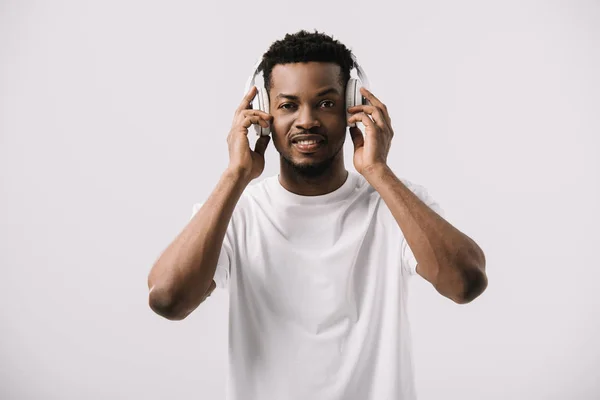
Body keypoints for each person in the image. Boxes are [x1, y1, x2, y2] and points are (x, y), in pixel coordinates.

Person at [147, 30, 488, 400]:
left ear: (353, 108)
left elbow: (465, 283)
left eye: (325, 104)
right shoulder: (237, 212)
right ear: (263, 114)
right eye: (288, 105)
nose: (306, 120)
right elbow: (168, 299)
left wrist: (378, 172)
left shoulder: (392, 205)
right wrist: (235, 175)